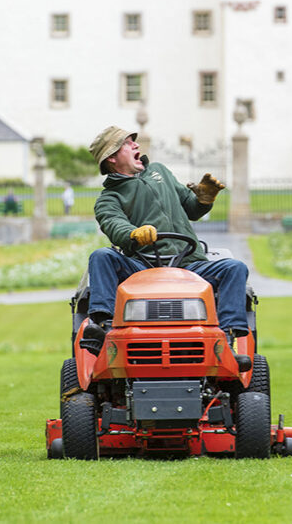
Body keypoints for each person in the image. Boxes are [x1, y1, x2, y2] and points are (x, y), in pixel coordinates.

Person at [80, 126, 252, 370]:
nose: (137, 146)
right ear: (112, 157)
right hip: (141, 269)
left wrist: (204, 199)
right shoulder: (109, 199)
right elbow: (114, 225)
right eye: (129, 143)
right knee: (101, 256)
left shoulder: (160, 171)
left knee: (235, 268)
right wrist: (133, 234)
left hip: (189, 265)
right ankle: (104, 329)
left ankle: (225, 341)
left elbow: (191, 208)